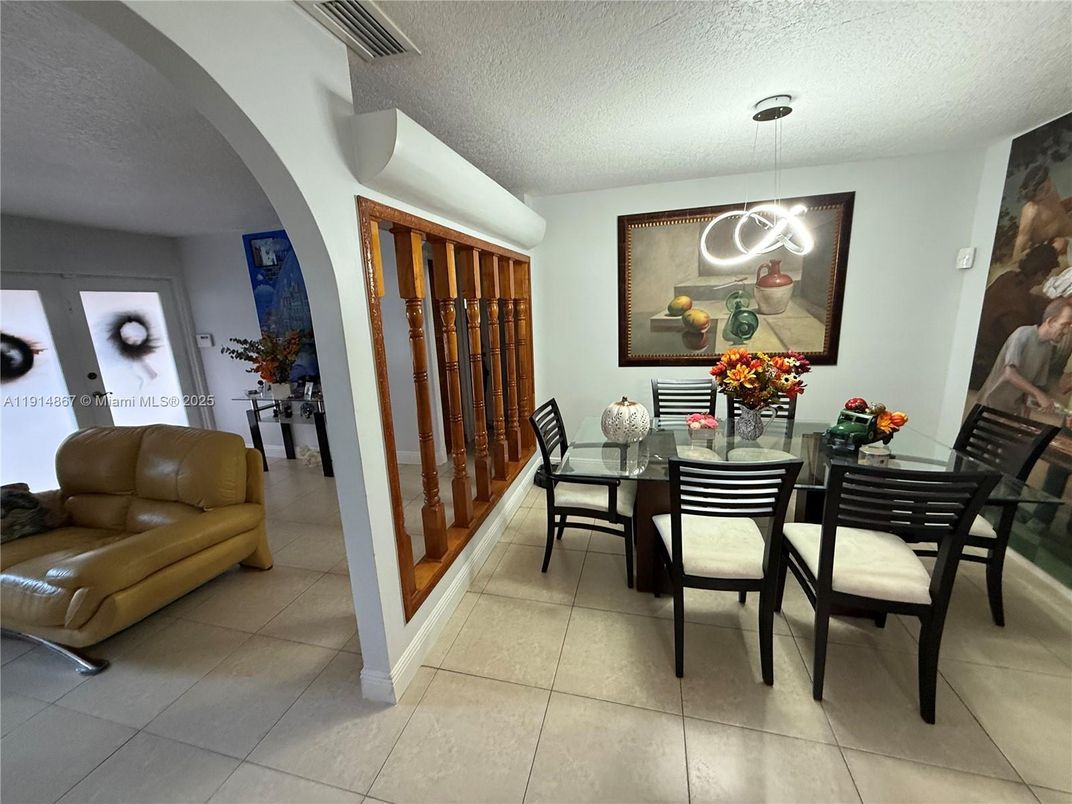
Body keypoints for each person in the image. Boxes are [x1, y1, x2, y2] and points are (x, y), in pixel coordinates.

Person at [971, 244, 1060, 388]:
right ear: (1040, 274)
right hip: (982, 366)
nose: (1045, 279)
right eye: (1046, 275)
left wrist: (1055, 304)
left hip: (976, 347)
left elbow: (1030, 301)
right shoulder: (1017, 305)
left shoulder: (1009, 277)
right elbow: (1024, 342)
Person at [977, 298, 1072, 417]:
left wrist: (1026, 414)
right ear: (1051, 322)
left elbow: (1030, 387)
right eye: (1065, 325)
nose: (1067, 331)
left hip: (1011, 411)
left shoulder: (1047, 349)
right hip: (989, 405)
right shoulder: (1023, 334)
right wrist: (1039, 395)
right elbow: (1010, 374)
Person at [1012, 164, 1072, 263]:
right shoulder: (1031, 211)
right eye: (1040, 190)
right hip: (1057, 248)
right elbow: (1017, 255)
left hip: (1069, 235)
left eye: (1047, 182)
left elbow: (1058, 211)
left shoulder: (1050, 189)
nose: (1047, 188)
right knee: (1060, 244)